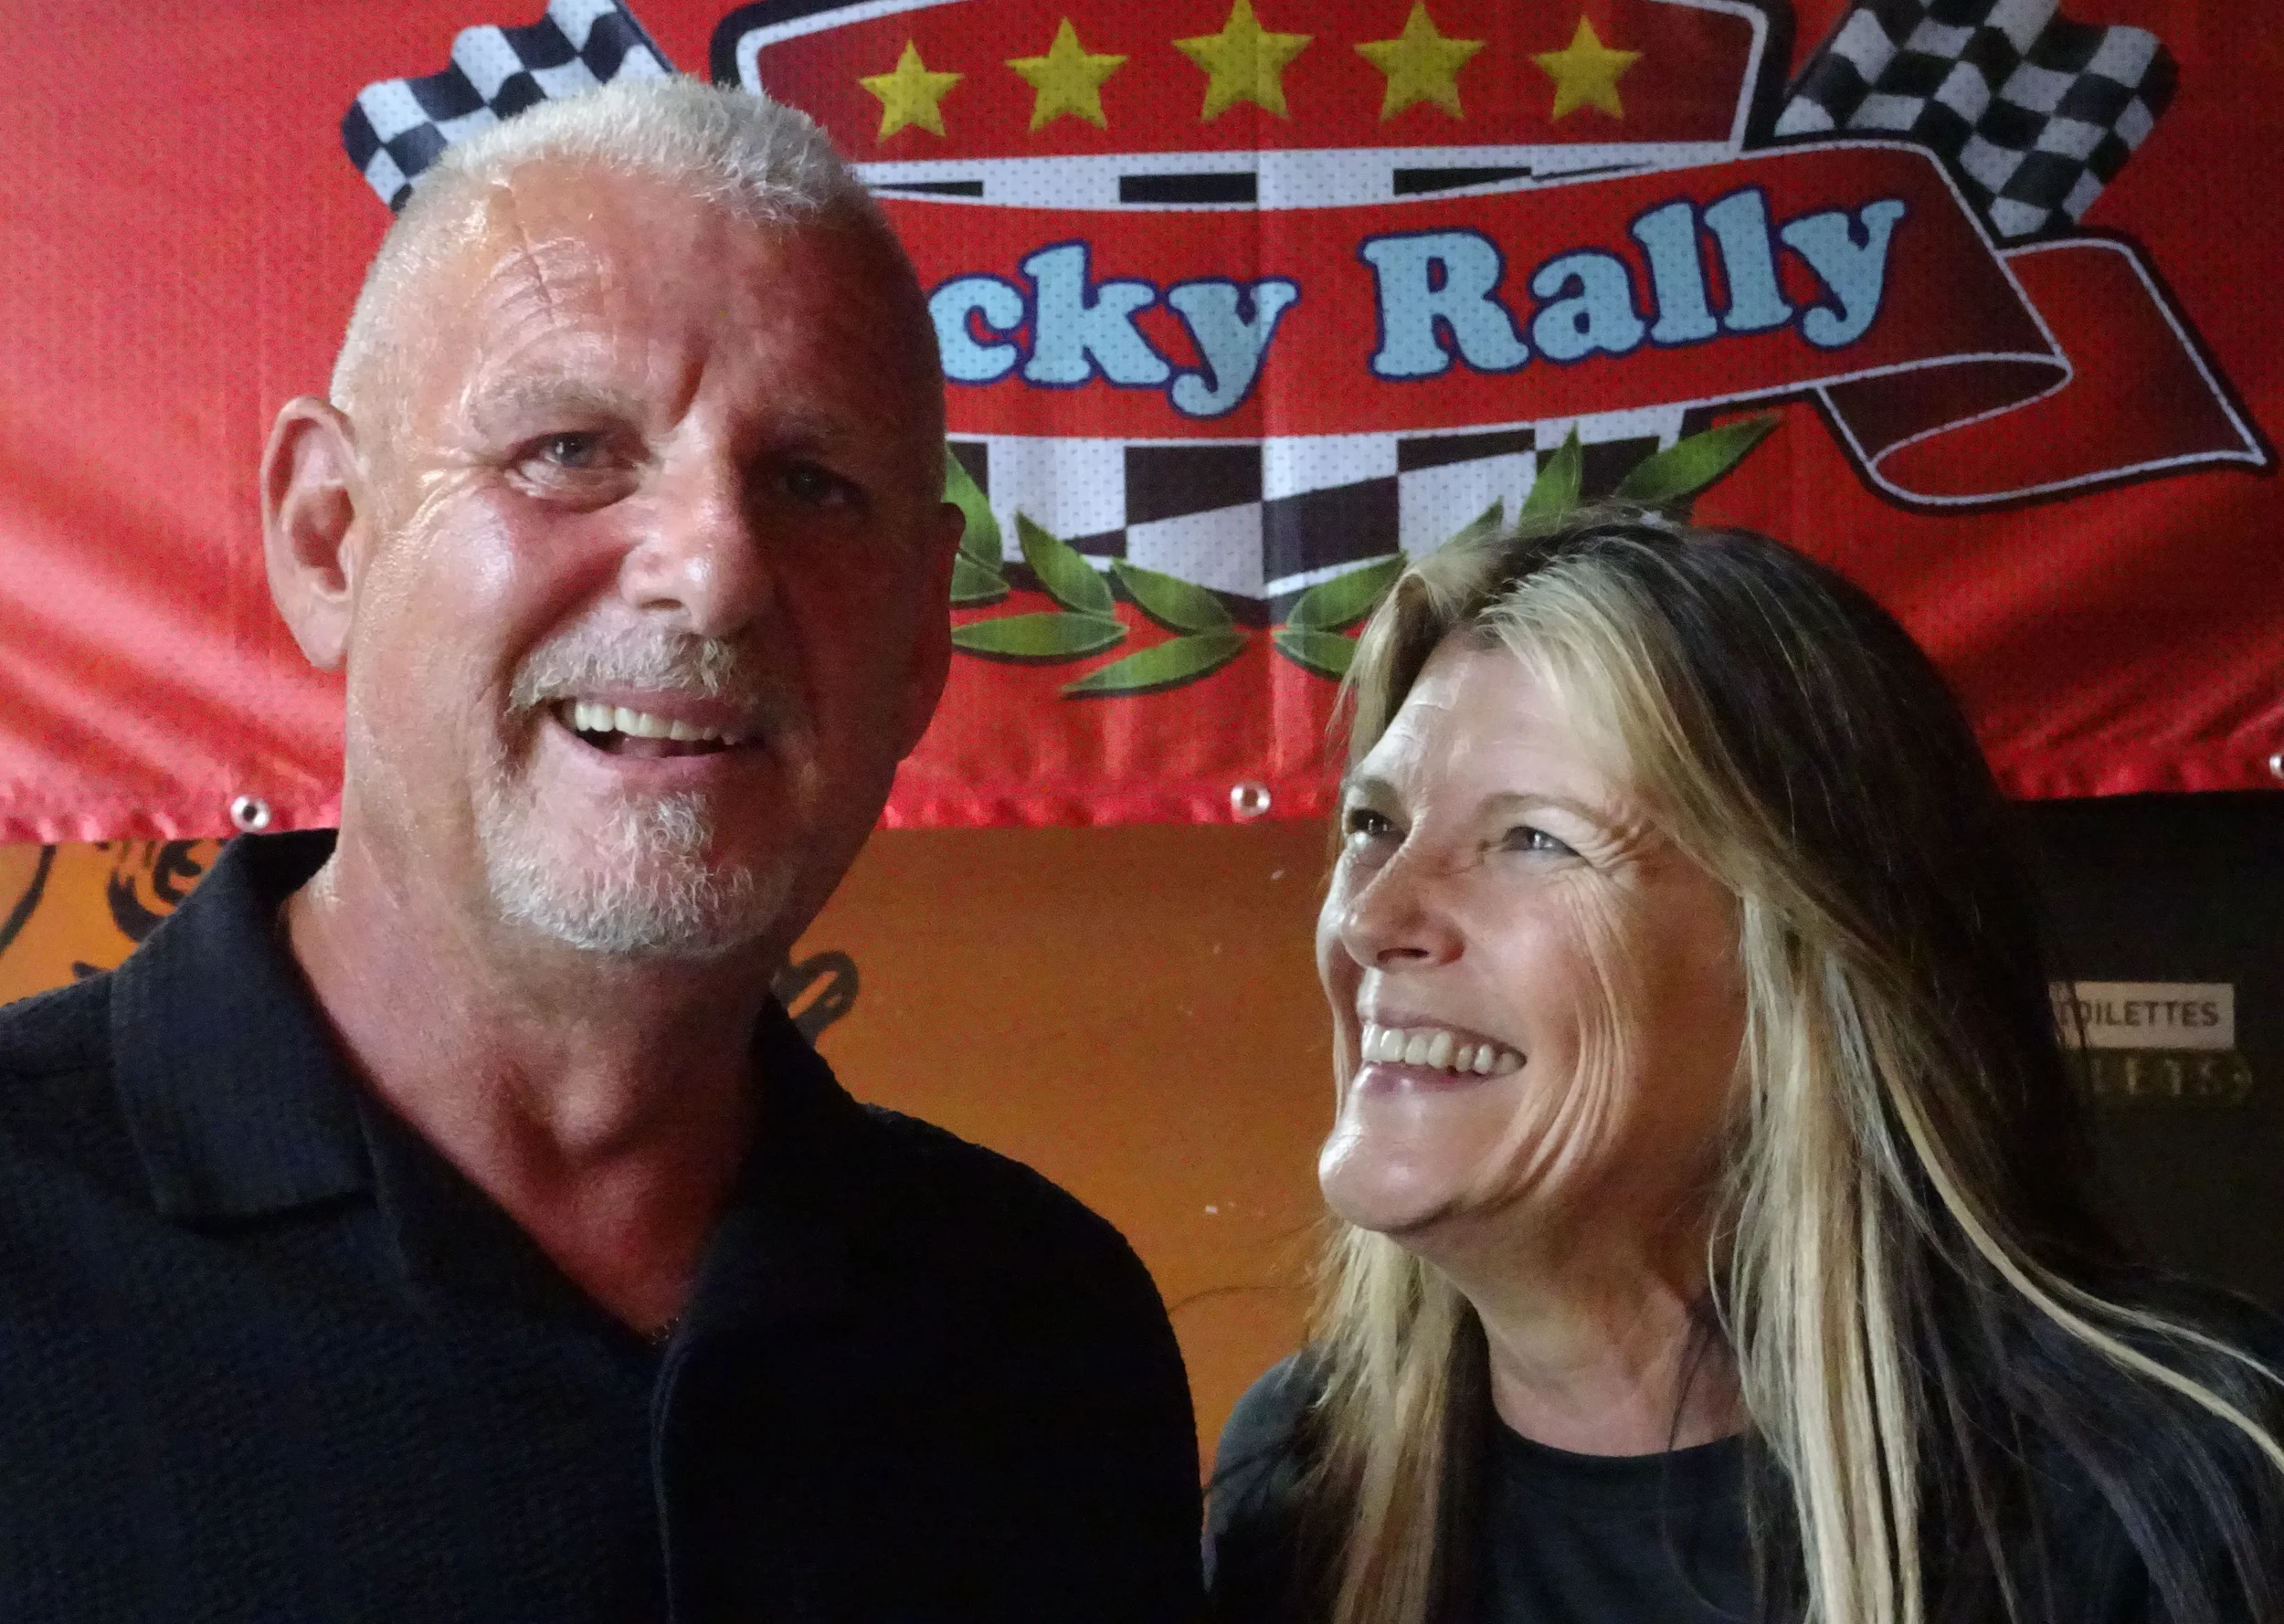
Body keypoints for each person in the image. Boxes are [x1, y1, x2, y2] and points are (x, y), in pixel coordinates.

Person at [0, 78, 1201, 1622]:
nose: (712, 570)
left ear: (918, 641)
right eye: (570, 448)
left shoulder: (1042, 1335)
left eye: (815, 483)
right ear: (327, 536)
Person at [1205, 512, 2284, 1624]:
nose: (1374, 916)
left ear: (1813, 968)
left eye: (1533, 839)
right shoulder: (1304, 1482)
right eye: (1373, 823)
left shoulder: (2185, 1482)